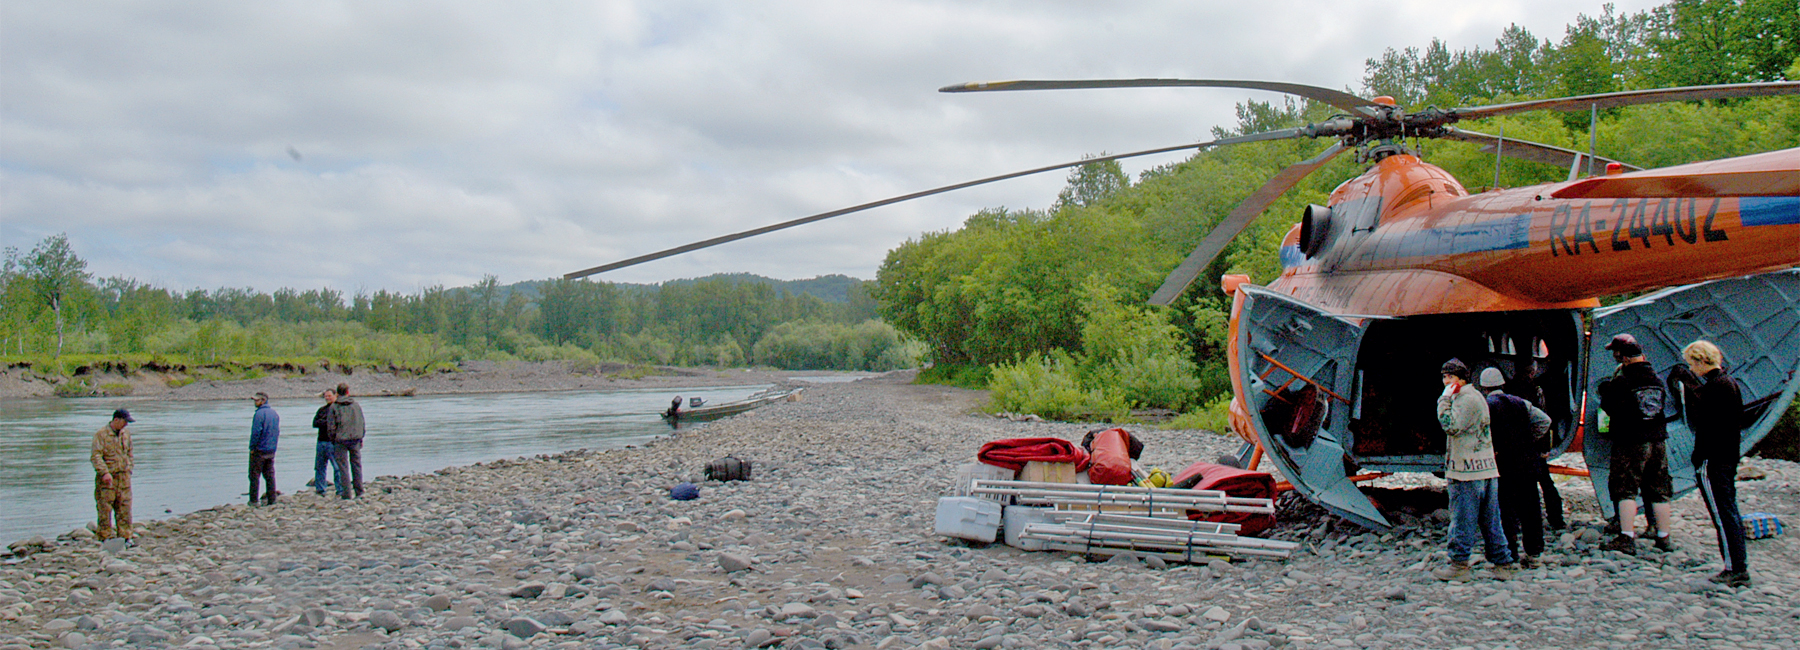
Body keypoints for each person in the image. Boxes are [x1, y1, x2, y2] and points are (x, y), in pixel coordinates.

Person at [1432, 358, 1517, 581]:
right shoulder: (1477, 396)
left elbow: (1451, 425)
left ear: (1460, 379)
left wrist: (1444, 400)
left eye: (1449, 377)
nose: (1445, 381)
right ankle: (1502, 562)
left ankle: (1459, 565)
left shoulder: (1464, 399)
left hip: (1466, 471)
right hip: (1485, 468)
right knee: (1491, 520)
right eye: (1444, 377)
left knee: (1462, 519)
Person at [1596, 334, 1677, 555]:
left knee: (1626, 490)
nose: (1615, 357)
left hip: (1631, 441)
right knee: (1660, 490)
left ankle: (1626, 537)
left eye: (1617, 353)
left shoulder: (1622, 381)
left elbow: (1608, 406)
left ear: (1625, 357)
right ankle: (1663, 537)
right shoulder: (1657, 379)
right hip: (1658, 440)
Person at [1682, 340, 1751, 587]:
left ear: (1701, 361)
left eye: (1692, 364)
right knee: (1729, 509)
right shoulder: (1729, 383)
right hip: (1727, 455)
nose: (1691, 369)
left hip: (1713, 459)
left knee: (1722, 513)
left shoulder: (1714, 388)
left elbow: (1703, 423)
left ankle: (1735, 568)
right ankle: (1737, 565)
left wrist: (1698, 457)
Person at [1477, 368, 1553, 568]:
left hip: (1502, 464)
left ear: (1483, 387)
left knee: (1505, 510)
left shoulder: (1485, 406)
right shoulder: (1521, 403)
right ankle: (1535, 553)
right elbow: (1545, 421)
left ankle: (1509, 553)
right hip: (1527, 462)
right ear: (1503, 384)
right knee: (1531, 508)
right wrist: (1531, 440)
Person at [91, 408, 135, 545]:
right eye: (124, 421)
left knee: (125, 509)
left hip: (124, 478)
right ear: (116, 420)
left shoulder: (126, 434)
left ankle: (126, 537)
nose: (126, 425)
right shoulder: (101, 435)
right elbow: (96, 456)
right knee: (105, 509)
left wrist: (129, 468)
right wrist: (104, 472)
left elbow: (130, 452)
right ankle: (105, 538)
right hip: (107, 481)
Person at [327, 382, 367, 500]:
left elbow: (331, 426)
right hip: (355, 439)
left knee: (343, 467)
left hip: (340, 440)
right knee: (357, 465)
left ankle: (346, 493)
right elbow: (361, 422)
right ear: (348, 392)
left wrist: (333, 439)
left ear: (337, 393)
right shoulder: (356, 405)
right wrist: (361, 437)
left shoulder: (334, 407)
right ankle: (359, 491)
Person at [248, 392, 280, 506]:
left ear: (263, 400)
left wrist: (252, 447)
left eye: (257, 400)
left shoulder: (259, 414)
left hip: (260, 450)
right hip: (271, 450)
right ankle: (272, 499)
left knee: (254, 475)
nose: (255, 402)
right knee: (269, 475)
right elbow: (276, 432)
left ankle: (253, 500)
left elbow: (256, 432)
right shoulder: (274, 414)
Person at [310, 388, 340, 495]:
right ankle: (320, 489)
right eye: (326, 396)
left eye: (329, 396)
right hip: (321, 441)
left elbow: (336, 424)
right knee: (319, 467)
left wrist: (325, 422)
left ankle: (340, 489)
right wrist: (326, 422)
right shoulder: (322, 409)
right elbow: (315, 423)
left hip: (333, 442)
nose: (327, 398)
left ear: (335, 395)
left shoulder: (338, 408)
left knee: (337, 467)